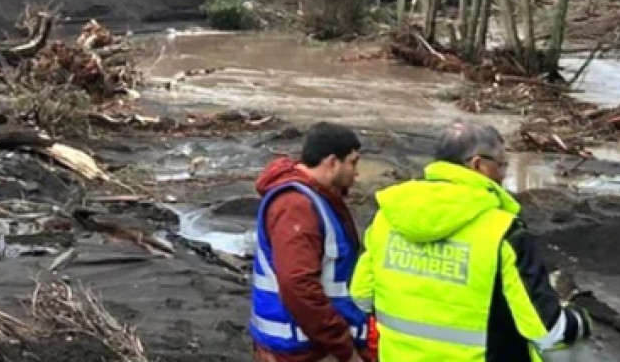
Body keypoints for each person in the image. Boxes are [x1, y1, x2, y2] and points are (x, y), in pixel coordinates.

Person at [350, 122, 592, 362]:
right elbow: (548, 333)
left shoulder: (388, 219)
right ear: (479, 165)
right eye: (502, 165)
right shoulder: (503, 233)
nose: (504, 173)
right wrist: (579, 322)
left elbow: (361, 297)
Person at [251, 122, 372, 362]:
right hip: (296, 348)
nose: (356, 173)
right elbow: (298, 285)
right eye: (353, 163)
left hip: (306, 342)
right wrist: (343, 346)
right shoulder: (296, 206)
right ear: (332, 162)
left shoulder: (315, 199)